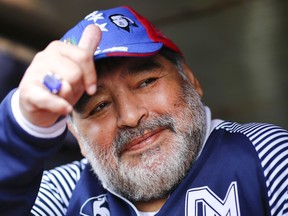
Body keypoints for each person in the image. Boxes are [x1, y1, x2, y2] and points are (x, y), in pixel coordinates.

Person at [0, 5, 287, 216]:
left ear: (191, 79)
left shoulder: (265, 155)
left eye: (146, 82)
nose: (130, 116)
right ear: (75, 133)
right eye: (99, 106)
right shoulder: (60, 194)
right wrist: (22, 127)